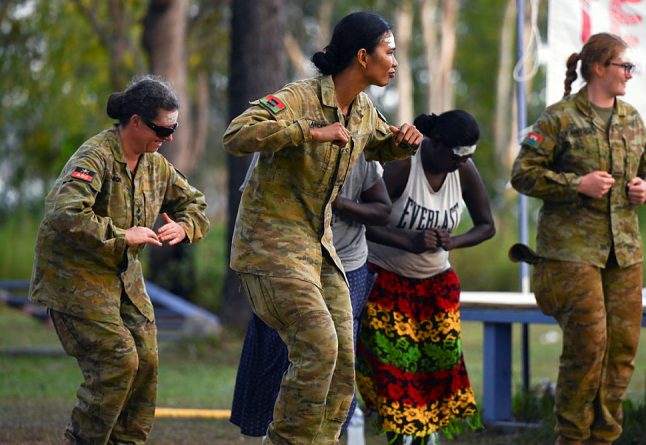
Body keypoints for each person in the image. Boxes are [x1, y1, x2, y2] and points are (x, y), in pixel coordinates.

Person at [223, 11, 422, 445]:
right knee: (318, 347)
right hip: (270, 248)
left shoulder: (364, 109)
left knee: (342, 365)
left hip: (320, 250)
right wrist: (310, 133)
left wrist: (401, 143)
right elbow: (237, 134)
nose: (395, 62)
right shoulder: (300, 96)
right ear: (363, 56)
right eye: (390, 52)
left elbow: (379, 143)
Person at [28, 75, 210, 445]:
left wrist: (186, 227)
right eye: (162, 128)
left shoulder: (156, 165)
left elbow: (195, 203)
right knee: (118, 360)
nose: (169, 137)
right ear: (136, 121)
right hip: (75, 279)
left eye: (174, 128)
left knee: (147, 362)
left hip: (123, 278)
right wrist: (122, 235)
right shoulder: (95, 157)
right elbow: (62, 214)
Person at [510, 33, 646, 445]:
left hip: (623, 251)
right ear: (598, 68)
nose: (629, 74)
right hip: (571, 251)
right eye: (623, 66)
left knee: (622, 349)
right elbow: (522, 173)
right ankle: (572, 437)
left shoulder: (631, 118)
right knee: (589, 344)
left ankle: (604, 437)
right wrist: (577, 184)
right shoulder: (559, 118)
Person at [356, 110, 495, 445]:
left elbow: (486, 226)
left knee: (439, 368)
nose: (462, 164)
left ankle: (426, 435)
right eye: (457, 156)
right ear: (435, 143)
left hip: (437, 285)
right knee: (396, 370)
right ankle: (402, 436)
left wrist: (454, 241)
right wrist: (408, 242)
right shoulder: (404, 166)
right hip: (388, 280)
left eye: (468, 158)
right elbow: (366, 219)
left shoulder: (463, 172)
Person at [229, 153, 390, 439]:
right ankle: (268, 431)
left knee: (338, 352)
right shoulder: (283, 135)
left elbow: (382, 208)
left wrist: (339, 203)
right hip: (286, 260)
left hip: (345, 260)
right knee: (281, 349)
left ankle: (327, 434)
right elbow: (252, 202)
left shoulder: (361, 135)